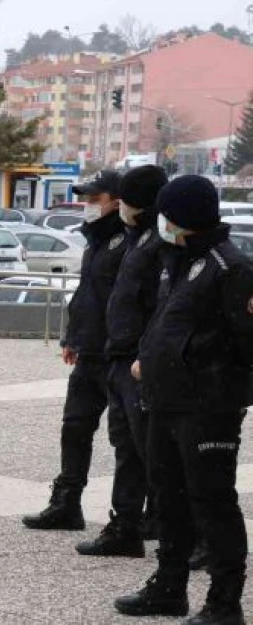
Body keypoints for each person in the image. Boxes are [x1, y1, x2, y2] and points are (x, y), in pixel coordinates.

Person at [115, 175, 253, 625]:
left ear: (184, 216)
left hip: (208, 407)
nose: (162, 222)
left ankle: (223, 602)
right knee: (168, 498)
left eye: (167, 214)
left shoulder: (229, 268)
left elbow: (245, 345)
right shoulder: (177, 259)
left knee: (212, 502)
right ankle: (168, 587)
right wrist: (148, 361)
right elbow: (168, 323)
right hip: (164, 399)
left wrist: (214, 384)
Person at [23, 170, 130, 531]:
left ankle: (134, 517)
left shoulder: (127, 241)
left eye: (94, 199)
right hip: (89, 353)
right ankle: (68, 503)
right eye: (86, 199)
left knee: (127, 440)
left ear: (116, 201)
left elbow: (126, 304)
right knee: (75, 428)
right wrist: (72, 337)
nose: (87, 206)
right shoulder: (96, 241)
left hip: (116, 355)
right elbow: (87, 296)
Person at [72, 165, 169, 557]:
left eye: (125, 199)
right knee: (126, 447)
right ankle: (125, 525)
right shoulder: (136, 238)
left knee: (153, 452)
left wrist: (145, 355)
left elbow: (161, 309)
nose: (120, 207)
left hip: (138, 361)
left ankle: (178, 529)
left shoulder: (158, 244)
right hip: (118, 354)